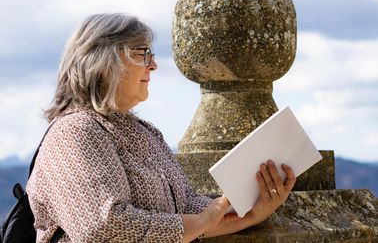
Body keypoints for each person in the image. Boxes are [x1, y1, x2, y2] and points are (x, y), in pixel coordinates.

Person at [26, 13, 296, 243]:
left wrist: (252, 211)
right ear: (103, 62)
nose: (153, 65)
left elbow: (188, 209)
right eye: (142, 54)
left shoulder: (146, 132)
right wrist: (201, 220)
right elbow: (103, 225)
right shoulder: (74, 131)